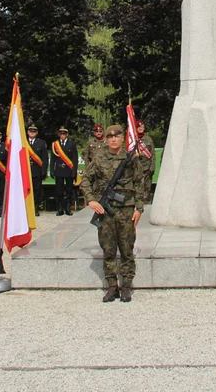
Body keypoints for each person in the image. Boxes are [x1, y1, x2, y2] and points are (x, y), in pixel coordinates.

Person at [82, 124, 147, 303]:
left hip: (126, 210)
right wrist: (91, 200)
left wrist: (139, 208)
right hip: (106, 211)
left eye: (116, 136)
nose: (113, 140)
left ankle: (126, 286)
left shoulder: (130, 158)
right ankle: (112, 287)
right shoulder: (99, 158)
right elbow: (86, 179)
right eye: (110, 137)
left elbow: (139, 183)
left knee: (127, 249)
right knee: (108, 249)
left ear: (121, 138)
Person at [51, 127, 79, 216]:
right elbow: (52, 159)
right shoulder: (55, 144)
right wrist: (52, 169)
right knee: (59, 190)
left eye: (64, 134)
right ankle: (60, 208)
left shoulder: (72, 144)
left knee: (69, 190)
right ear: (59, 135)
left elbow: (75, 159)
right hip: (59, 170)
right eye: (61, 134)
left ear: (67, 135)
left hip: (68, 170)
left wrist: (74, 170)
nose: (62, 135)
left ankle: (68, 208)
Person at [134, 119, 157, 205]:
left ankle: (146, 203)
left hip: (147, 168)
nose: (140, 128)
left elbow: (153, 154)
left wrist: (152, 166)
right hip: (137, 167)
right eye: (138, 126)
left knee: (147, 187)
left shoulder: (148, 139)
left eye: (142, 126)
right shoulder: (133, 139)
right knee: (137, 186)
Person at [27, 124, 48, 214]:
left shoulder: (41, 143)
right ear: (28, 132)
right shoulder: (23, 142)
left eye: (34, 131)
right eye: (30, 131)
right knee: (27, 190)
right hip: (26, 170)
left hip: (37, 170)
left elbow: (45, 158)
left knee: (37, 190)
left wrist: (44, 171)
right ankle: (27, 208)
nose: (32, 133)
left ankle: (35, 208)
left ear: (37, 133)